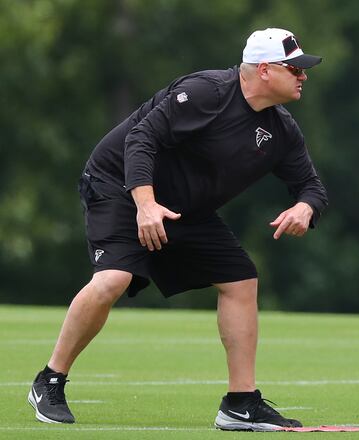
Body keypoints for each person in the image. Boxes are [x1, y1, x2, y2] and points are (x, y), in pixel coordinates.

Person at [26, 28, 328, 432]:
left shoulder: (282, 130)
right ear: (265, 70)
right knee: (114, 278)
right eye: (295, 68)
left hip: (186, 207)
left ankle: (240, 403)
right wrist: (145, 204)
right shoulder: (207, 92)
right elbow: (141, 137)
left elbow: (312, 186)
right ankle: (50, 380)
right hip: (119, 185)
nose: (303, 76)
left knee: (240, 280)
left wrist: (305, 207)